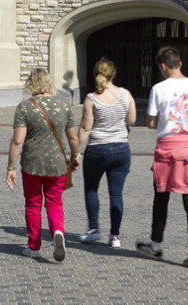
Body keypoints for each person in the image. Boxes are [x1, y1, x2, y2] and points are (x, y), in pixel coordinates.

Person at [136, 46, 188, 269]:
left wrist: (167, 124)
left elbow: (149, 122)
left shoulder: (159, 88)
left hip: (167, 147)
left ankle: (156, 244)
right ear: (181, 63)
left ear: (163, 66)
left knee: (161, 197)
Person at [7, 67, 81, 261]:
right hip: (57, 164)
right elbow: (73, 137)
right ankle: (57, 232)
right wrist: (76, 156)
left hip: (32, 164)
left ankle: (34, 247)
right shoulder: (64, 106)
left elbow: (17, 141)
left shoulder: (25, 107)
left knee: (33, 204)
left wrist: (10, 167)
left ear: (31, 84)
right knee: (55, 202)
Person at [77, 58, 135, 247]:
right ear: (114, 74)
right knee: (116, 194)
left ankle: (93, 229)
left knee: (91, 188)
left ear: (95, 74)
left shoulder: (91, 98)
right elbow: (132, 120)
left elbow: (86, 128)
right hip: (121, 149)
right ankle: (115, 236)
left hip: (97, 149)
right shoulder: (126, 94)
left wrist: (76, 153)